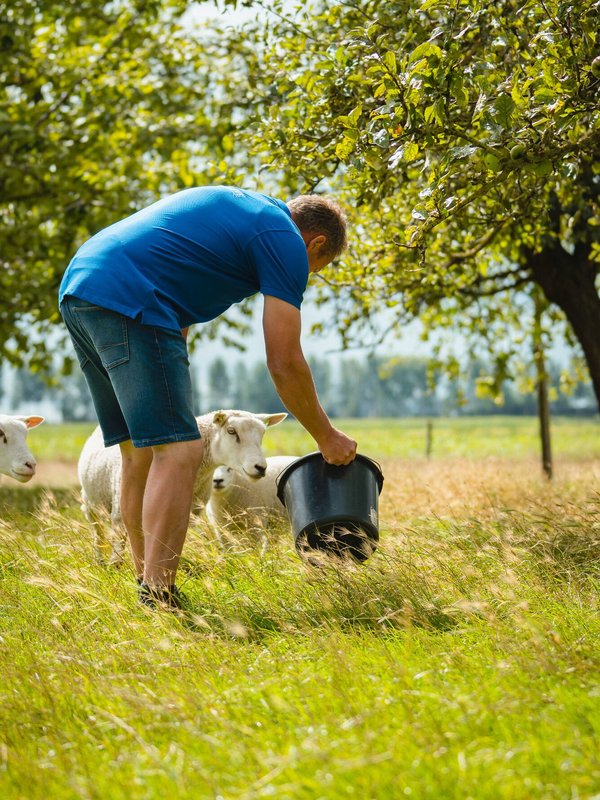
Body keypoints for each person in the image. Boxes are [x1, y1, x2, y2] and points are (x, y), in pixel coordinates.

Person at [59, 185, 357, 609]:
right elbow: (284, 361)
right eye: (316, 267)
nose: (306, 276)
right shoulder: (285, 241)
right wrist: (326, 437)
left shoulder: (244, 210)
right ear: (317, 243)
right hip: (132, 300)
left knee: (138, 451)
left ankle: (145, 582)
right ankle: (159, 594)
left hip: (83, 286)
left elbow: (175, 282)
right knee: (181, 452)